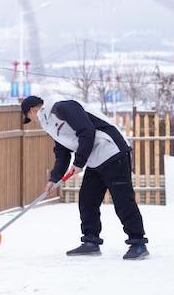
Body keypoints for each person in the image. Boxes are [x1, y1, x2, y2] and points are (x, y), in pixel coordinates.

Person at [20, 95, 149, 260]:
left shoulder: (62, 107)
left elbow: (87, 130)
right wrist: (54, 179)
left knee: (122, 200)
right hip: (95, 158)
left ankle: (138, 242)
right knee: (87, 200)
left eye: (29, 117)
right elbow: (62, 153)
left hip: (112, 150)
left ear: (31, 110)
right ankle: (91, 241)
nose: (33, 121)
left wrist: (79, 162)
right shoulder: (50, 125)